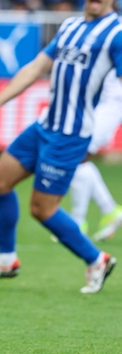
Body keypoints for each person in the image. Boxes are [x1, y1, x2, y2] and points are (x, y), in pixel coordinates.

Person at [0, 0, 122, 294]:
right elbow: (37, 67)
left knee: (42, 209)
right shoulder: (70, 26)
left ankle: (97, 259)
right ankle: (6, 259)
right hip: (44, 126)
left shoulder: (116, 34)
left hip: (70, 135)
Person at [68, 71, 122, 242]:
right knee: (78, 159)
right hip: (103, 105)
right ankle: (110, 210)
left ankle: (77, 222)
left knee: (77, 158)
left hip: (112, 107)